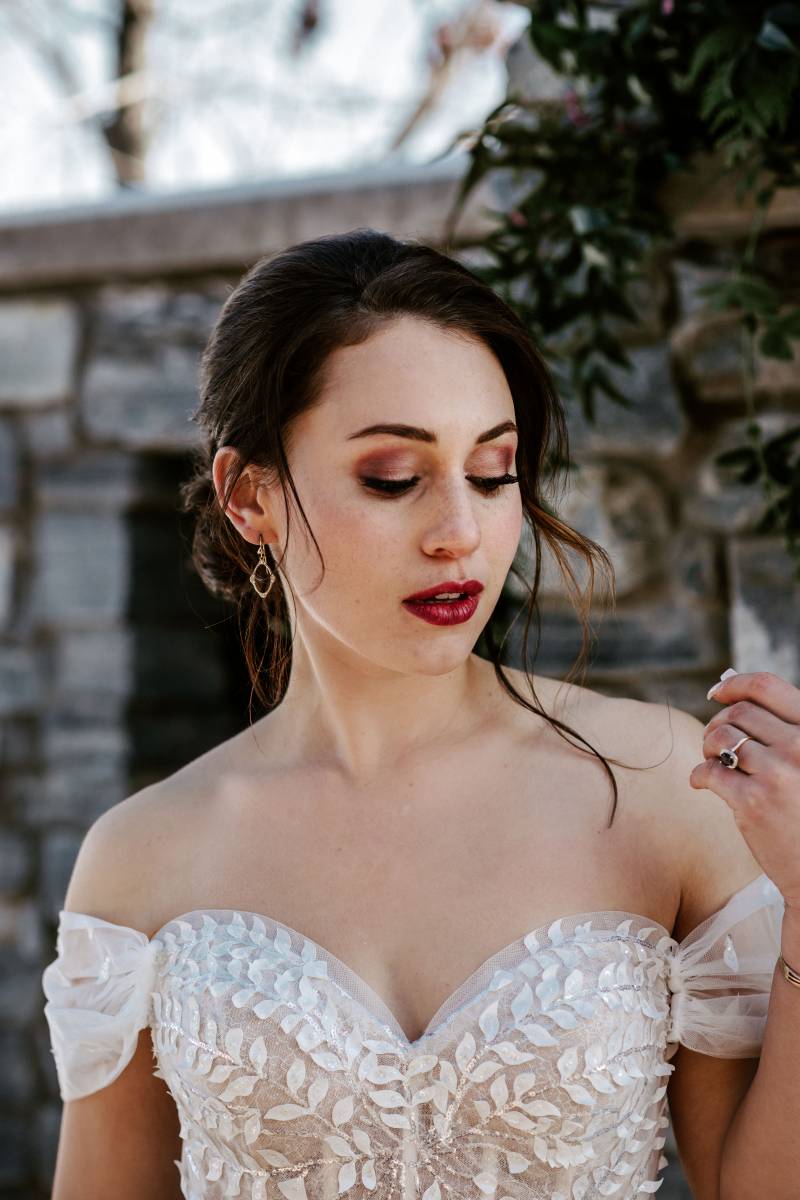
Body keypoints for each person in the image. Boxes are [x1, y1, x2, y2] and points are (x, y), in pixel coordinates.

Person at [41, 229, 784, 1200]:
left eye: (492, 472)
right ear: (248, 496)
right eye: (392, 478)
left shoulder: (660, 785)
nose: (459, 534)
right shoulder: (141, 855)